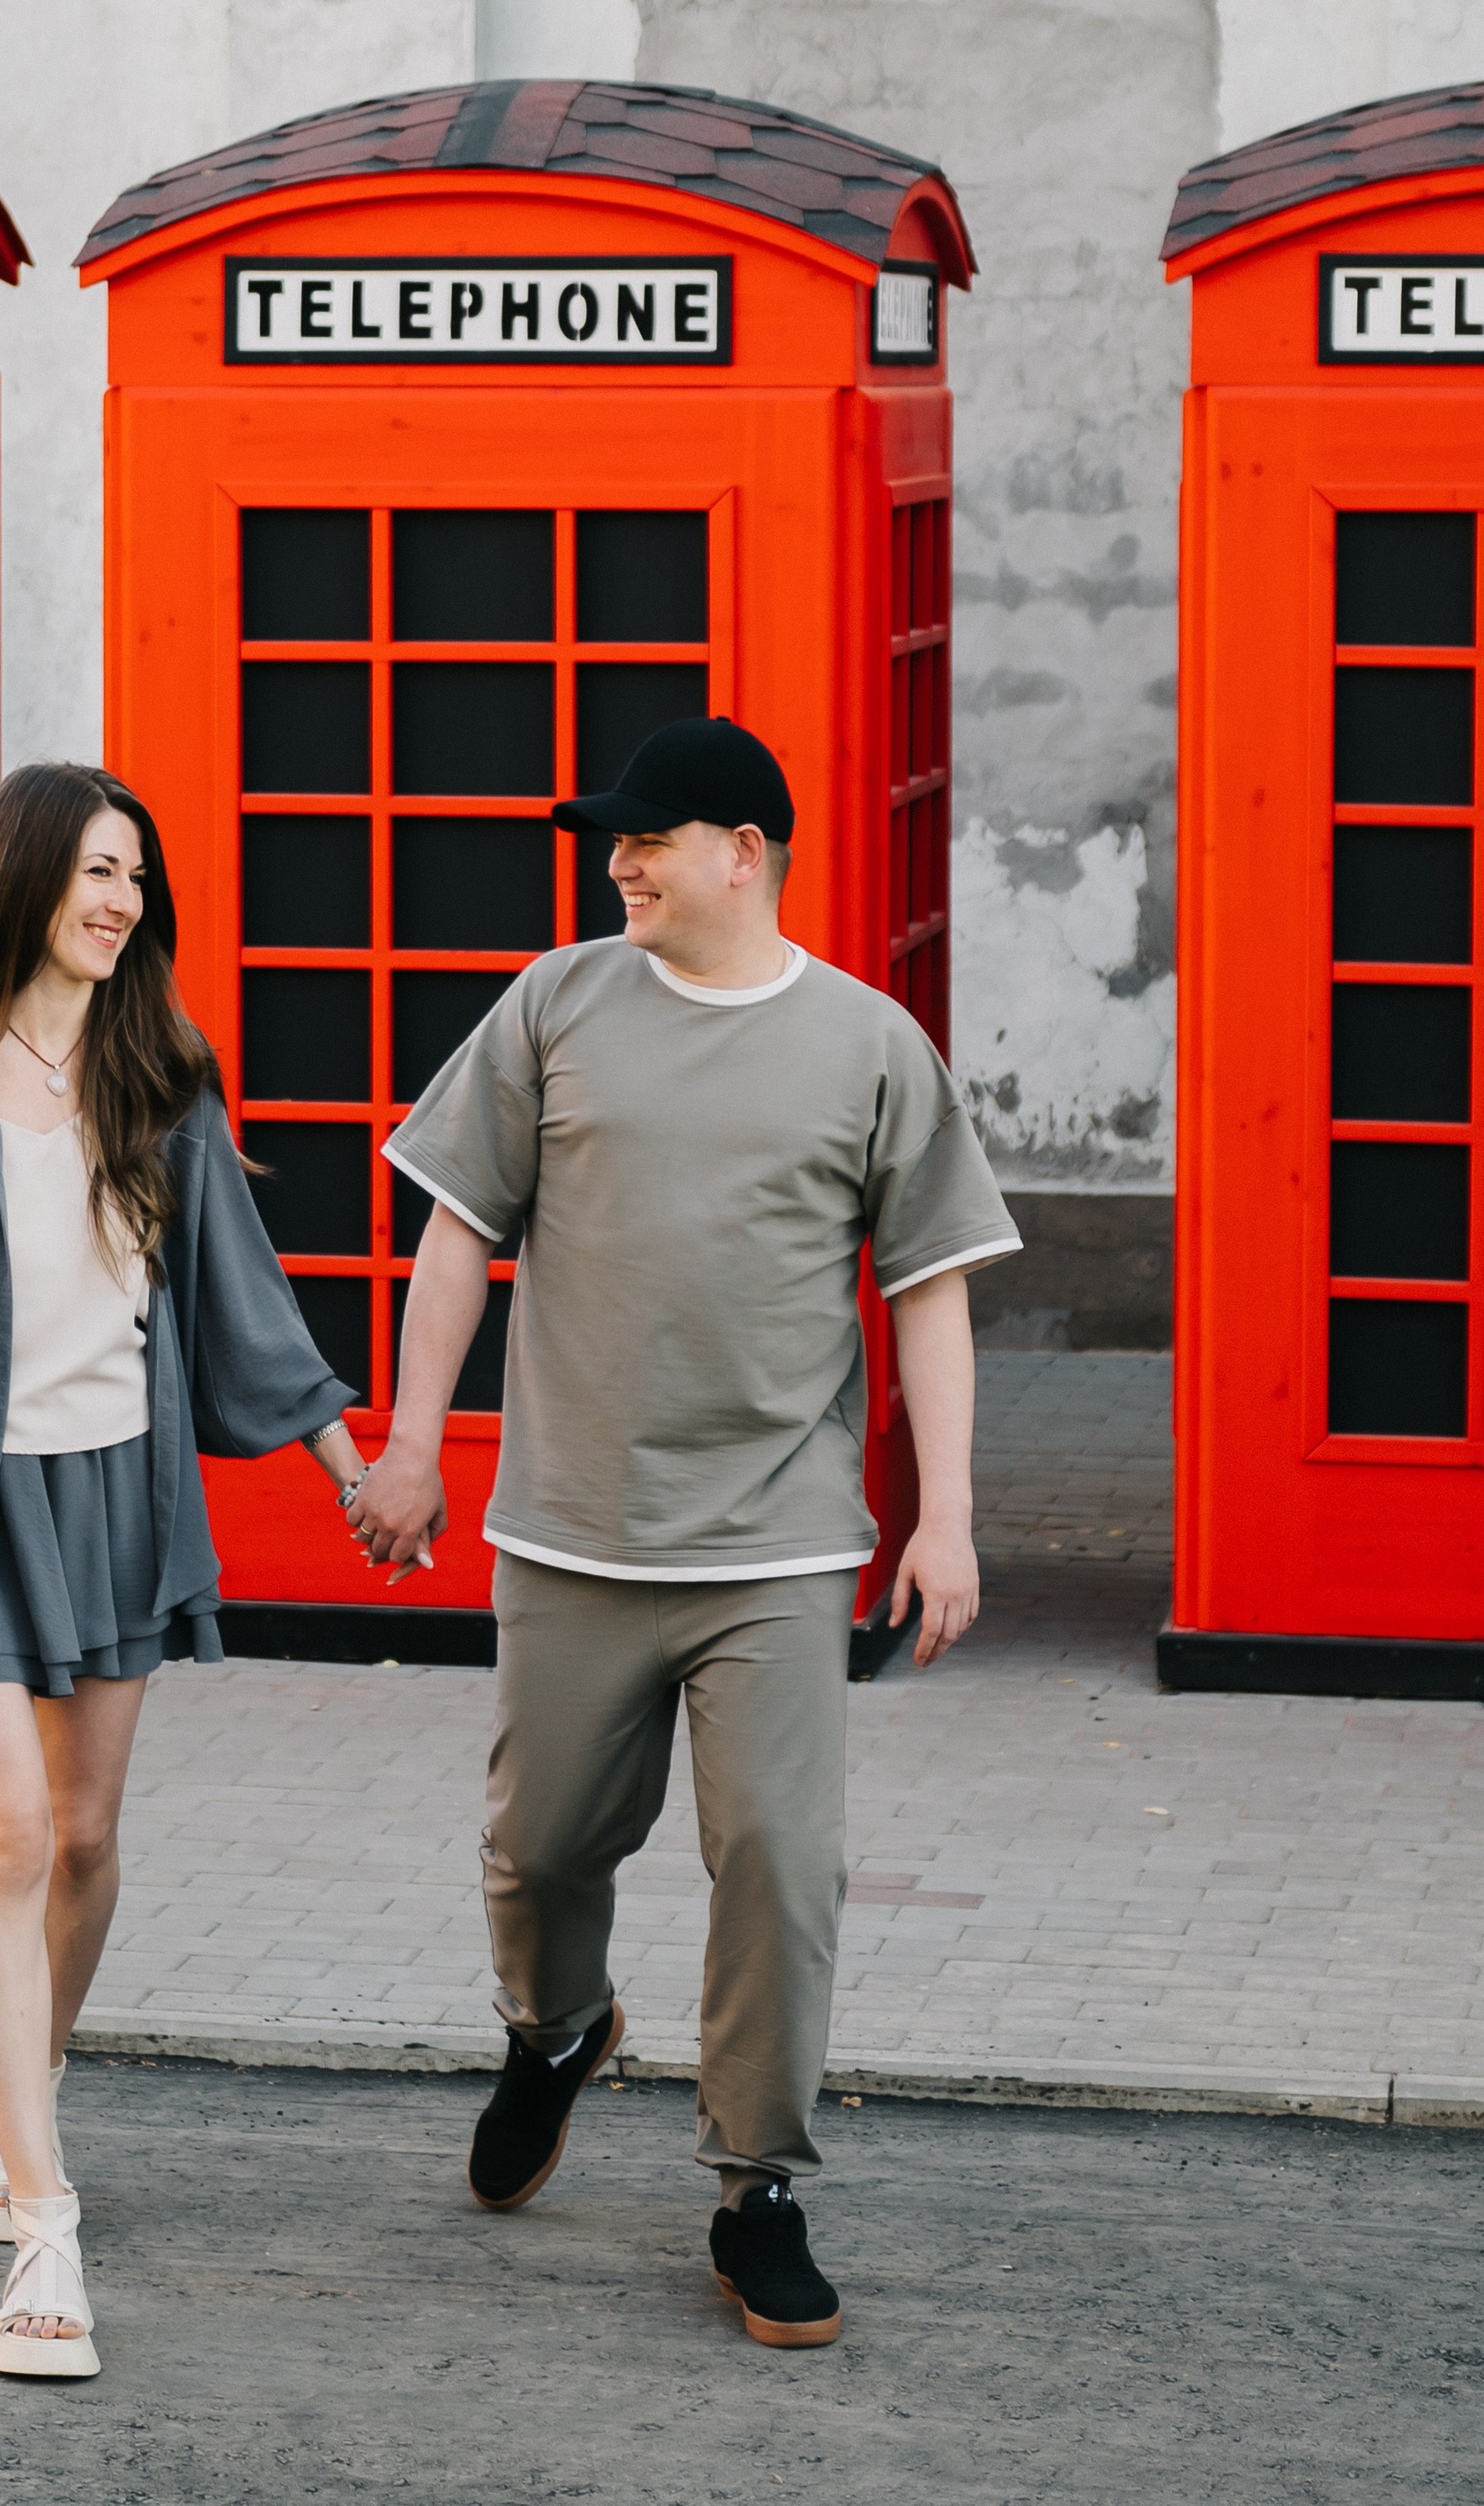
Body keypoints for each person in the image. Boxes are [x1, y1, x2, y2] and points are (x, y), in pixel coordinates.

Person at [350, 717, 1018, 2348]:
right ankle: (557, 2028)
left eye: (652, 838)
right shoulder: (556, 1004)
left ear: (750, 852)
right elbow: (455, 1230)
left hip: (781, 1545)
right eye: (613, 841)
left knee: (782, 1864)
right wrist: (414, 1443)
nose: (620, 861)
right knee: (544, 1848)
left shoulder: (870, 1045)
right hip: (572, 1525)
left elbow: (928, 1285)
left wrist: (947, 1518)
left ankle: (756, 2190)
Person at [0, 762, 365, 2381]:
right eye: (99, 871)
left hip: (115, 1496)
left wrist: (349, 1471)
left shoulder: (160, 1069)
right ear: (25, 875)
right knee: (9, 1831)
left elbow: (242, 1300)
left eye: (139, 881)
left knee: (88, 1838)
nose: (121, 903)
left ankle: (17, 2102)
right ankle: (43, 2227)